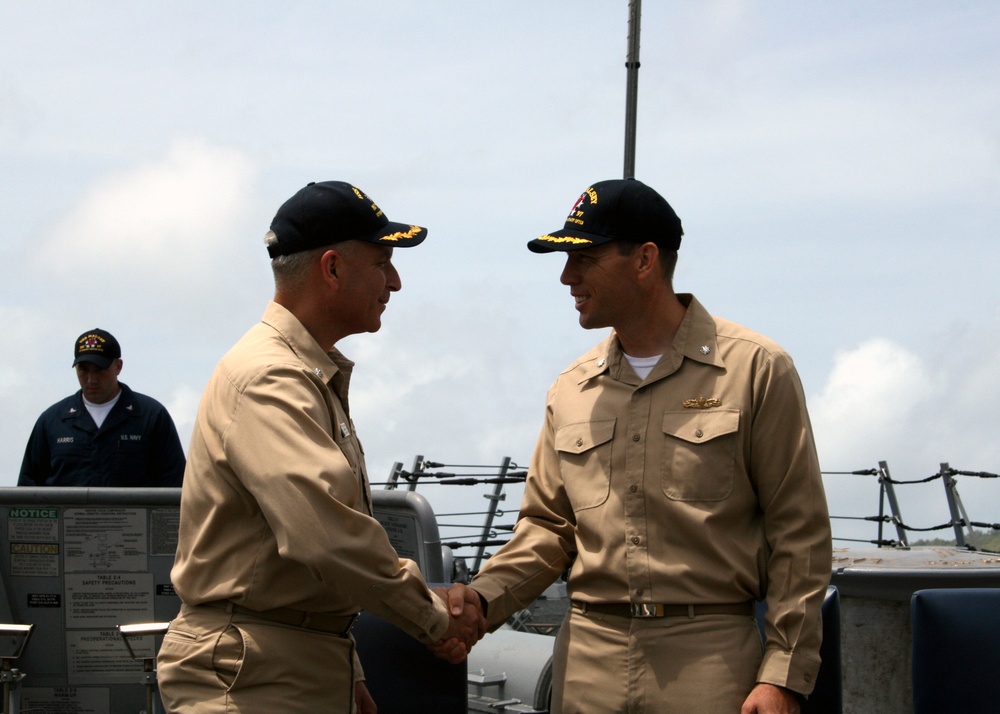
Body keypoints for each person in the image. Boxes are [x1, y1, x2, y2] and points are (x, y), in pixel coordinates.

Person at [444, 179, 832, 713]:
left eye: (585, 258)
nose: (567, 276)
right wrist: (483, 599)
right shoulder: (571, 389)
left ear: (645, 260)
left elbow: (799, 534)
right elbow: (548, 529)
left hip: (710, 661)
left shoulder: (756, 370)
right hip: (587, 664)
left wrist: (783, 676)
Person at [156, 181, 485, 714]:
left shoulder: (301, 374)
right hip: (250, 678)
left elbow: (302, 570)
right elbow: (327, 537)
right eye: (382, 262)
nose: (395, 282)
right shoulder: (269, 378)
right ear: (331, 269)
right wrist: (434, 616)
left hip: (287, 665)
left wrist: (339, 665)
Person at [18, 328, 186, 487]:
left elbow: (176, 483)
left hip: (133, 518)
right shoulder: (52, 421)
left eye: (100, 369)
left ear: (118, 366)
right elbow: (28, 489)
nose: (91, 379)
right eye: (83, 370)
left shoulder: (152, 417)